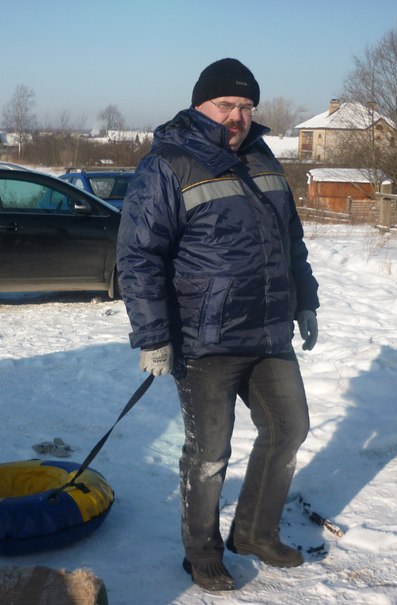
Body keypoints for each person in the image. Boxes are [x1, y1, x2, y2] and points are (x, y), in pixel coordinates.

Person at [117, 58, 320, 592]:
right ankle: (201, 554)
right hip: (205, 340)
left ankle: (253, 532)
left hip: (270, 331)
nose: (238, 115)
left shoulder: (263, 158)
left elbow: (290, 240)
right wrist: (154, 336)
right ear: (199, 105)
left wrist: (307, 302)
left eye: (247, 106)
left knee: (289, 428)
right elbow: (139, 258)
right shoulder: (167, 164)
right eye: (226, 105)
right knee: (209, 455)